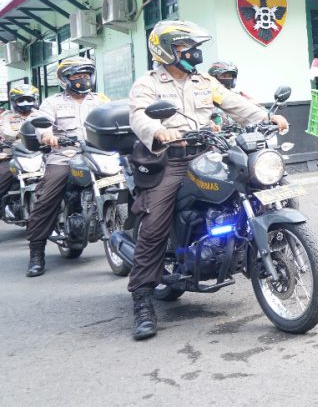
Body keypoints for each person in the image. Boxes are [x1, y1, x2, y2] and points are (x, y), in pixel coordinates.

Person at [127, 20, 289, 341]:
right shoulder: (148, 84)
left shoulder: (204, 82)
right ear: (166, 51)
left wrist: (266, 117)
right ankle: (143, 297)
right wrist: (159, 131)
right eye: (185, 47)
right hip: (171, 159)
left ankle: (254, 250)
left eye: (193, 46)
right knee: (155, 222)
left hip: (209, 151)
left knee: (253, 186)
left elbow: (233, 103)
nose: (193, 53)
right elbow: (138, 114)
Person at [24, 57, 109, 277]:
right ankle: (36, 253)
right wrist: (48, 136)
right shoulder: (52, 102)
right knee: (46, 199)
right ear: (65, 79)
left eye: (86, 75)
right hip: (64, 156)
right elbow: (40, 124)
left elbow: (113, 119)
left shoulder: (100, 99)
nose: (82, 79)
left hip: (98, 154)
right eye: (76, 76)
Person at [0, 84, 39, 210]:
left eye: (29, 99)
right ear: (14, 101)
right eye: (21, 100)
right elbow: (4, 133)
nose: (25, 102)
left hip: (39, 154)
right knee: (3, 176)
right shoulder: (6, 116)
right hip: (12, 155)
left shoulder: (41, 115)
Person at [207, 60, 253, 129]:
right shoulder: (206, 97)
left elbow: (256, 108)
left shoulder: (239, 95)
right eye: (224, 76)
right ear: (214, 77)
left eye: (230, 76)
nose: (228, 78)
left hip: (241, 135)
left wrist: (270, 118)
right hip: (216, 137)